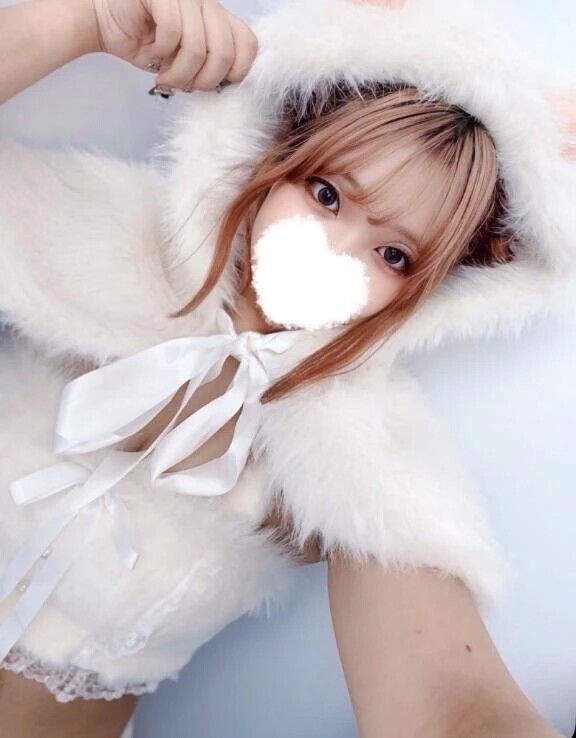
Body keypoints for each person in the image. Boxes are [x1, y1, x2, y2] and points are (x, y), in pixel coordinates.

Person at [0, 0, 573, 737]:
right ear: (276, 157)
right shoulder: (100, 229)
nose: (335, 250)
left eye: (393, 254)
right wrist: (76, 23)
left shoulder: (357, 444)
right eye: (327, 194)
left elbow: (452, 704)